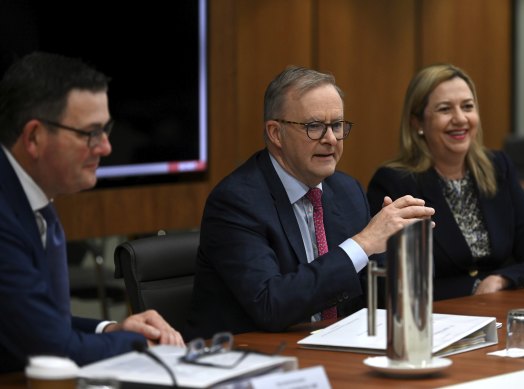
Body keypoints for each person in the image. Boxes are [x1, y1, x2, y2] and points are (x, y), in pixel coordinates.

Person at [185, 65, 435, 339]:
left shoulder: (346, 190)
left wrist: (401, 253)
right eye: (314, 126)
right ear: (275, 133)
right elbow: (271, 305)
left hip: (334, 350)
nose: (330, 139)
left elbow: (371, 297)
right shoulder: (236, 202)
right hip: (250, 361)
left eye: (337, 125)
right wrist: (362, 243)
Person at [0, 52, 184, 373]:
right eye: (90, 133)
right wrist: (139, 345)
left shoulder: (30, 198)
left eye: (106, 130)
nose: (105, 147)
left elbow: (34, 320)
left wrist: (111, 330)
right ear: (34, 137)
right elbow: (51, 349)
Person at [367, 63, 524, 300]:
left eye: (467, 107)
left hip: (498, 312)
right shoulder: (396, 183)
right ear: (417, 123)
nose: (460, 119)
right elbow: (393, 286)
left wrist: (500, 279)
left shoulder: (497, 167)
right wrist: (473, 288)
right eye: (445, 109)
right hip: (436, 320)